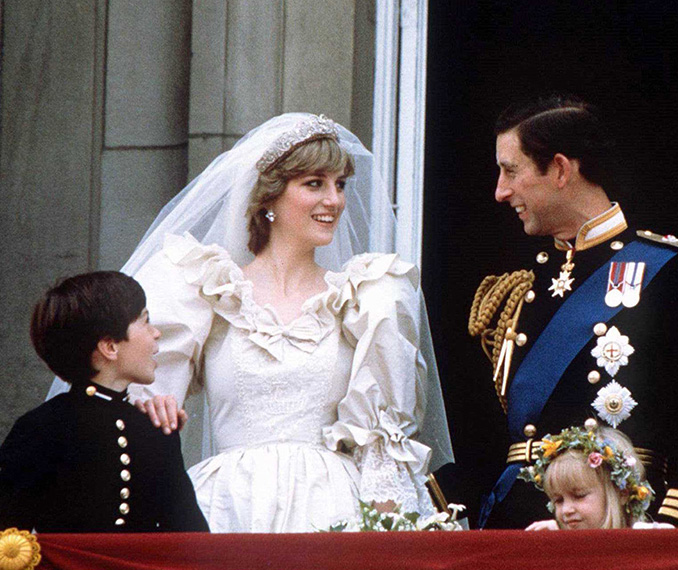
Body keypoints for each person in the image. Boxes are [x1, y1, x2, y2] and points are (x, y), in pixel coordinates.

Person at [44, 113, 453, 533]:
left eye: (340, 184)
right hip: (228, 510)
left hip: (335, 511)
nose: (334, 200)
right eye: (314, 183)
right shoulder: (206, 290)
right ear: (269, 197)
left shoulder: (366, 297)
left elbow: (382, 448)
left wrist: (383, 537)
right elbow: (137, 411)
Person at [468, 95, 678, 528]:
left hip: (623, 519)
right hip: (523, 525)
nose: (500, 191)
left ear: (561, 169)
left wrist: (668, 521)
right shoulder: (519, 288)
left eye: (511, 171)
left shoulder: (668, 271)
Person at [0, 271, 208, 532]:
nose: (156, 333)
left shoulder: (154, 429)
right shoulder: (42, 428)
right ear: (110, 347)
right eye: (145, 321)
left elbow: (190, 538)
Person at [518, 424, 652, 530]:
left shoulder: (648, 542)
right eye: (558, 500)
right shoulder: (555, 543)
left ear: (622, 493)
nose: (566, 510)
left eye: (579, 495)